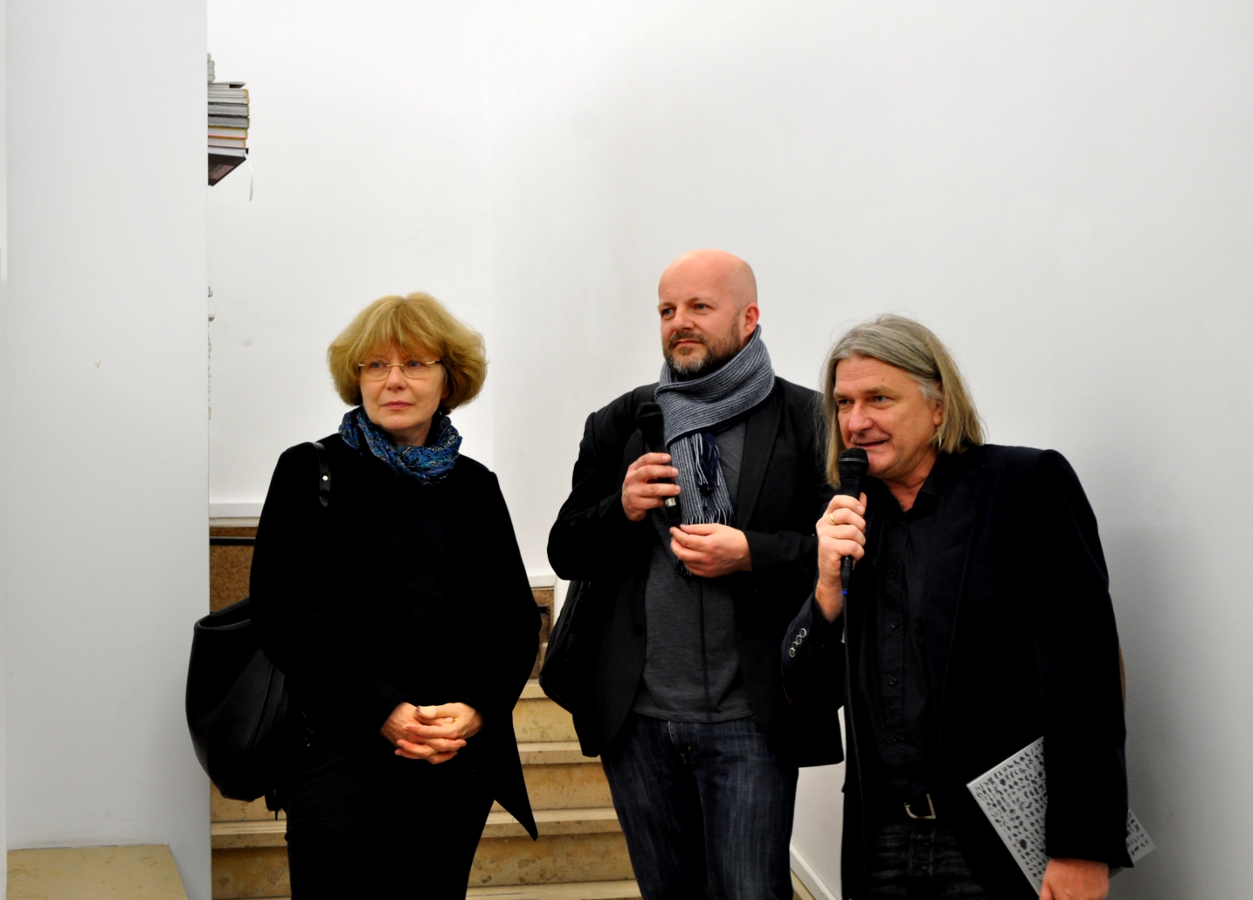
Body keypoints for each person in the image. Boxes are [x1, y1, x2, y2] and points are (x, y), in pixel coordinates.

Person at [781, 315, 1131, 900]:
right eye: (843, 403)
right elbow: (806, 694)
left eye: (879, 399)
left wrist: (1082, 846)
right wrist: (824, 590)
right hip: (881, 841)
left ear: (938, 405)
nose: (857, 421)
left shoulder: (1024, 486)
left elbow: (1083, 680)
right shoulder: (849, 521)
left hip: (997, 841)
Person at [547, 249, 836, 900]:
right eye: (666, 310)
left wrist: (751, 552)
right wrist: (620, 507)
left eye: (700, 307)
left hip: (752, 719)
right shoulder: (622, 423)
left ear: (748, 317)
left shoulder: (809, 419)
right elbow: (565, 550)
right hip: (638, 722)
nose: (679, 322)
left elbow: (843, 553)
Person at [250, 292, 540, 899]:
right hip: (340, 751)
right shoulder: (310, 471)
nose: (394, 380)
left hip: (451, 757)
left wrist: (477, 708)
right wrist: (385, 710)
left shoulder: (476, 486)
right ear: (356, 379)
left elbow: (515, 621)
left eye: (414, 364)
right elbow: (286, 610)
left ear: (448, 379)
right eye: (376, 365)